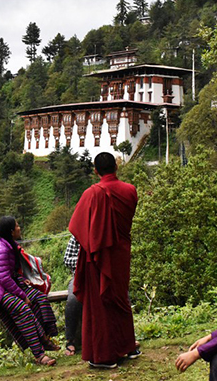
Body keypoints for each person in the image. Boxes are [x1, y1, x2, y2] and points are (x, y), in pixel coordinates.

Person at [69, 152, 140, 369]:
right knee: (120, 299)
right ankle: (128, 347)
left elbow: (77, 226)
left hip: (99, 255)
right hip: (121, 253)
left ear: (95, 170)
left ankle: (105, 356)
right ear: (116, 167)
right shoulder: (130, 190)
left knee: (101, 304)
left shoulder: (92, 193)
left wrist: (93, 242)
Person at [0, 216, 59, 366]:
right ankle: (39, 355)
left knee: (39, 298)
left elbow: (10, 273)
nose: (19, 228)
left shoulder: (10, 245)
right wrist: (22, 295)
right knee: (23, 309)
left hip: (7, 285)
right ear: (11, 231)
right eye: (17, 226)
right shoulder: (0, 249)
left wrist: (22, 281)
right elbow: (3, 278)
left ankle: (45, 337)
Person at [62, 234, 82, 356]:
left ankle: (125, 337)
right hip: (79, 276)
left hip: (99, 276)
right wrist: (84, 260)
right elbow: (67, 259)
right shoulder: (76, 236)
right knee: (73, 301)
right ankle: (70, 341)